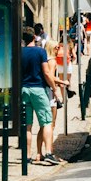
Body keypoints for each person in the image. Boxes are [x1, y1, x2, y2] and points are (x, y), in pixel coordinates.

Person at [20, 27, 58, 165]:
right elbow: (47, 73)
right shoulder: (40, 52)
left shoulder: (19, 53)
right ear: (35, 37)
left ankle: (27, 156)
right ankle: (48, 152)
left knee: (27, 125)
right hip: (38, 89)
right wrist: (54, 88)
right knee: (46, 122)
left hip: (24, 89)